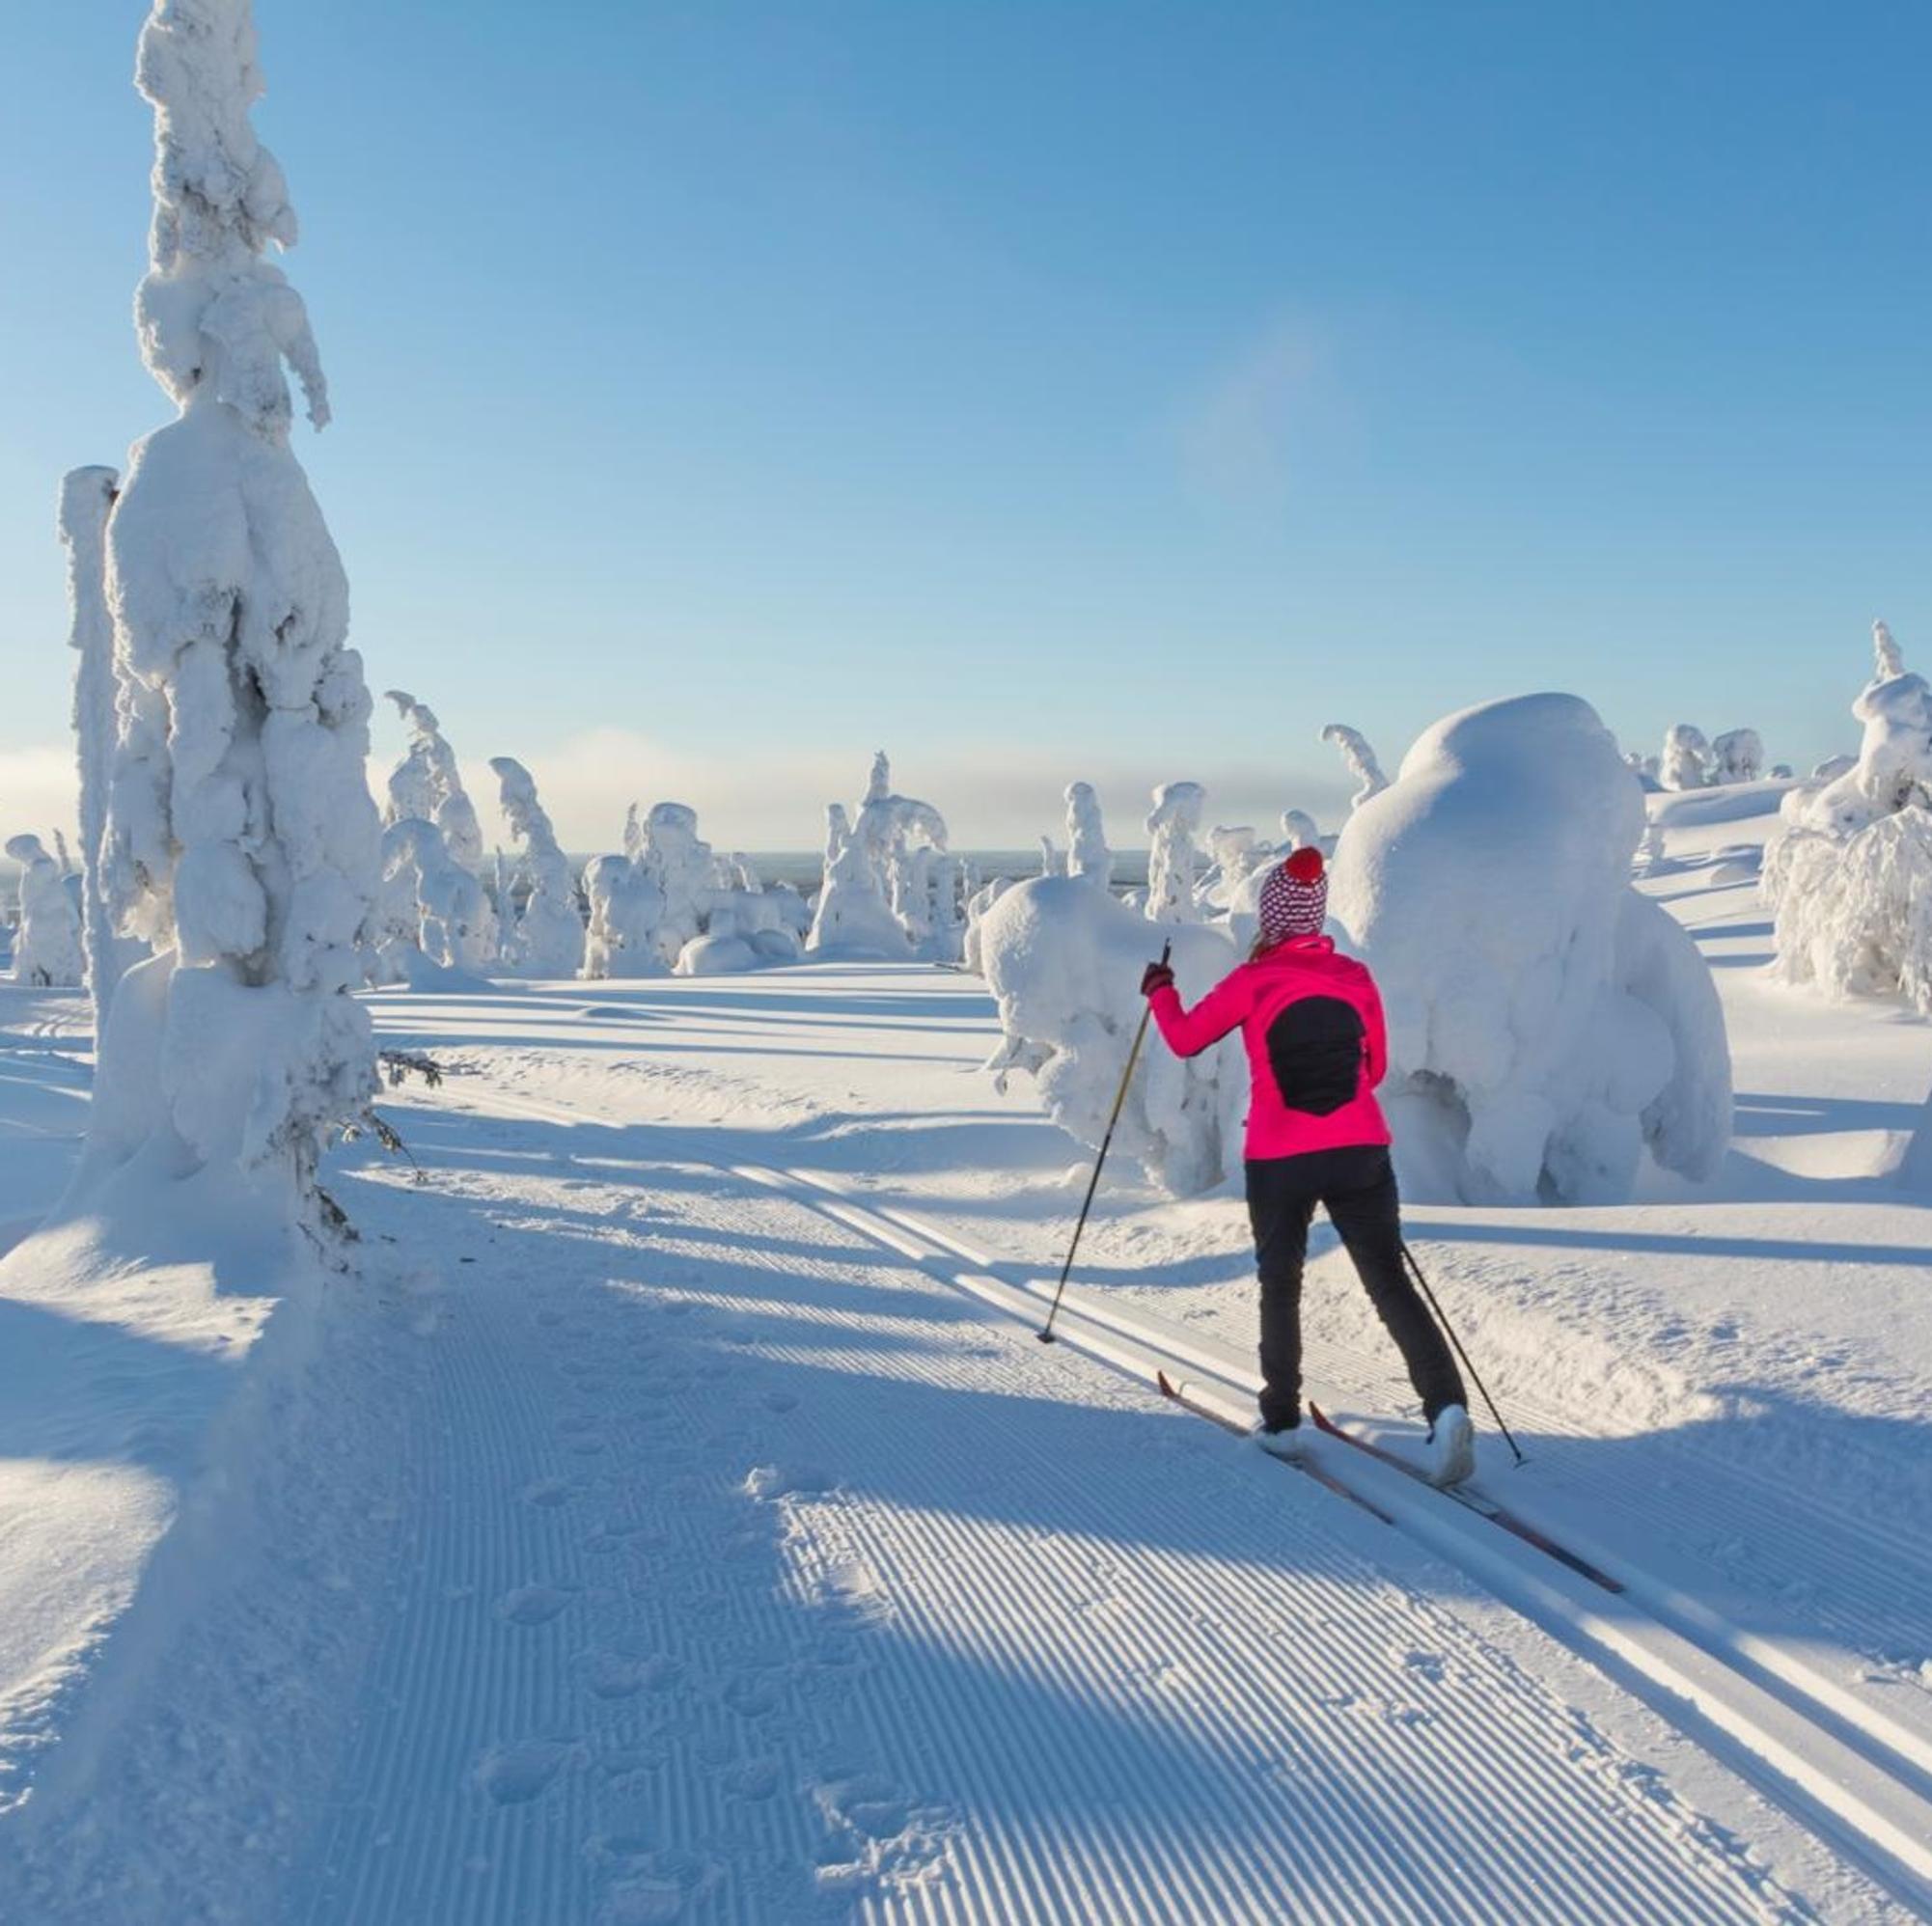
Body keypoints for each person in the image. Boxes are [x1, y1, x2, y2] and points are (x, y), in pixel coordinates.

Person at [1140, 846, 1475, 1486]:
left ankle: (1284, 1423)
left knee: (1281, 1284)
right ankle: (1447, 1409)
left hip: (1279, 1154)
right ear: (1316, 919)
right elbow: (1373, 1070)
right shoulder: (1354, 977)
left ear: (1271, 919)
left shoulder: (1252, 981)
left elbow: (1185, 1039)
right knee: (1390, 1283)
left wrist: (1161, 992)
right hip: (1360, 1152)